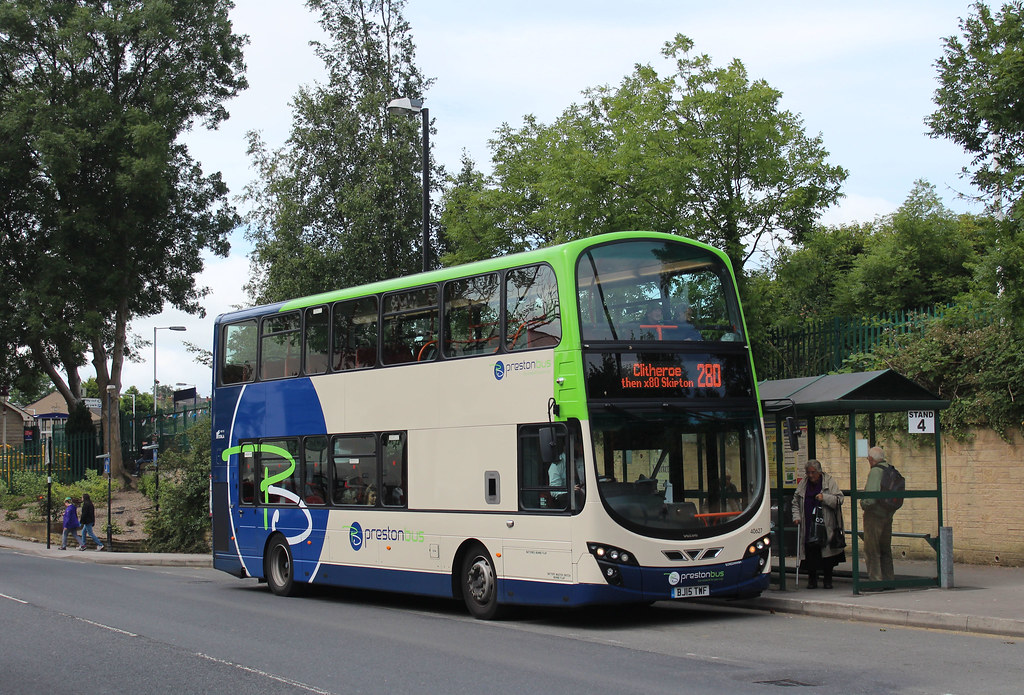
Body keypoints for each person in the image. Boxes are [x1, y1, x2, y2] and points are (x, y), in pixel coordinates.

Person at [791, 460, 845, 589]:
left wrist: (824, 497)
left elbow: (839, 499)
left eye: (813, 472)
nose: (810, 475)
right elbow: (795, 502)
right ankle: (812, 580)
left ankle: (827, 579)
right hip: (808, 523)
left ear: (819, 472)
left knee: (826, 554)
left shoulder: (828, 481)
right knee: (811, 553)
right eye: (808, 472)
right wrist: (796, 517)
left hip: (825, 524)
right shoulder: (803, 484)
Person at [860, 446, 896, 582]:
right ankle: (888, 579)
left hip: (874, 516)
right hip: (888, 514)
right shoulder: (889, 468)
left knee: (872, 550)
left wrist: (863, 504)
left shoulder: (875, 471)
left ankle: (875, 580)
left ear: (871, 459)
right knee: (885, 550)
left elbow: (871, 497)